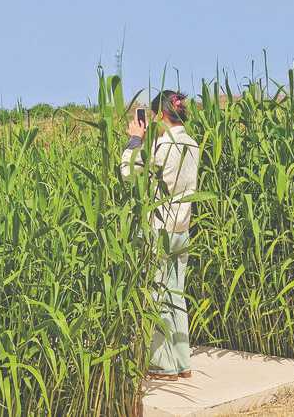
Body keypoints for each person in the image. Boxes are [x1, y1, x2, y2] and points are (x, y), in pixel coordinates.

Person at [121, 90, 199, 381]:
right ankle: (182, 361)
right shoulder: (191, 144)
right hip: (182, 229)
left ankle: (162, 364)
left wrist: (135, 141)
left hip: (160, 229)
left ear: (162, 114)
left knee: (157, 293)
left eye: (155, 115)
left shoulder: (162, 147)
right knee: (176, 294)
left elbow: (129, 173)